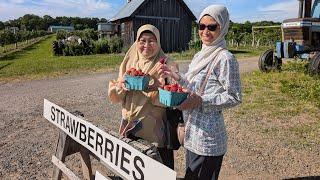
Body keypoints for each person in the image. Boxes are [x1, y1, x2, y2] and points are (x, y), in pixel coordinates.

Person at [157, 5, 242, 180]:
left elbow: (234, 96)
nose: (205, 31)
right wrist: (177, 77)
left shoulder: (225, 58)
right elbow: (194, 86)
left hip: (208, 138)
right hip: (191, 133)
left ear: (223, 27)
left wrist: (201, 101)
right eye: (201, 26)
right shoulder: (200, 54)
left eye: (212, 27)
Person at [108, 24, 178, 169]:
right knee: (130, 167)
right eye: (142, 41)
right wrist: (122, 86)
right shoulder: (130, 60)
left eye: (152, 41)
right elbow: (117, 93)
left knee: (158, 170)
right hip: (129, 123)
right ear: (137, 42)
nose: (146, 45)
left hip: (154, 130)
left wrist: (152, 88)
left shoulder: (167, 64)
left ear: (158, 42)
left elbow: (172, 99)